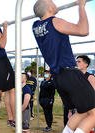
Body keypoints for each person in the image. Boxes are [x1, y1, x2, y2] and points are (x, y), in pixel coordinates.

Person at [32, 0, 95, 133]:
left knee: (82, 112)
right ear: (49, 8)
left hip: (58, 77)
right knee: (94, 113)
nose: (55, 3)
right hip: (69, 73)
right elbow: (84, 30)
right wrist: (81, 6)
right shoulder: (54, 21)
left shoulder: (35, 26)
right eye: (52, 2)